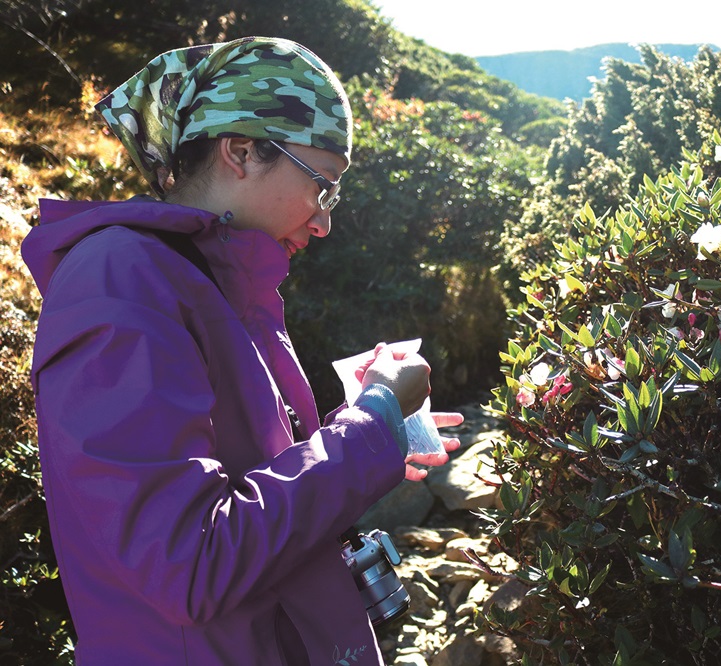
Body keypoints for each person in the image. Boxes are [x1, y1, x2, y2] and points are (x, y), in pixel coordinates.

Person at [21, 36, 462, 665]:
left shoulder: (218, 285)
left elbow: (248, 486)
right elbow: (191, 562)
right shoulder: (119, 280)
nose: (324, 222)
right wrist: (372, 424)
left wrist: (363, 416)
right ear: (242, 152)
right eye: (322, 185)